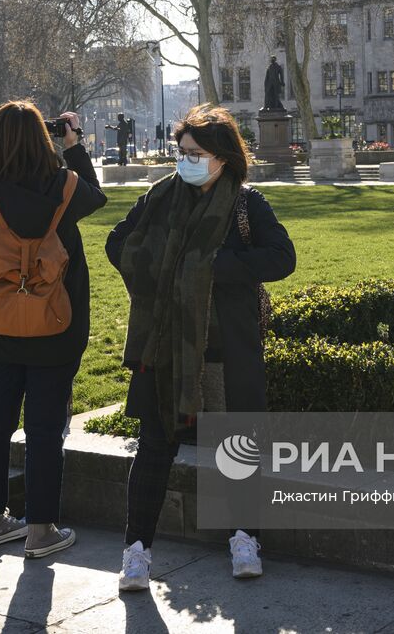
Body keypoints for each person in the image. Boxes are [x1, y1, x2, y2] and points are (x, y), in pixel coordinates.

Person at [106, 104, 296, 592]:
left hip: (225, 348)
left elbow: (281, 258)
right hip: (167, 346)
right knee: (154, 448)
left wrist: (215, 265)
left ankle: (244, 539)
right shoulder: (160, 198)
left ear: (223, 158)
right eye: (181, 152)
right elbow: (117, 242)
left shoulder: (246, 204)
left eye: (195, 153)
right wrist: (158, 271)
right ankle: (136, 553)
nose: (185, 161)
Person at [0, 101, 106, 559]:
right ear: (45, 139)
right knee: (43, 430)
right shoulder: (67, 188)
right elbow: (96, 196)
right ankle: (41, 528)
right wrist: (72, 144)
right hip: (54, 328)